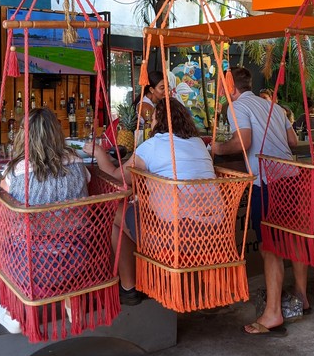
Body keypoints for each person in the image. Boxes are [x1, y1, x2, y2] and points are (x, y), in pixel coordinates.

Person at [87, 97, 218, 305]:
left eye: (153, 119)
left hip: (173, 234)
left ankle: (129, 288)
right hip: (213, 232)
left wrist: (99, 153)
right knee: (134, 211)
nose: (150, 123)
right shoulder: (198, 144)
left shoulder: (153, 145)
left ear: (159, 121)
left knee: (112, 212)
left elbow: (116, 177)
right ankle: (135, 285)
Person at [211, 67, 303, 336]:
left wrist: (216, 147)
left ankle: (273, 313)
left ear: (231, 87)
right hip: (291, 177)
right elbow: (293, 141)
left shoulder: (236, 106)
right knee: (291, 238)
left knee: (268, 246)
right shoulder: (272, 105)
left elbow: (243, 142)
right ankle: (301, 298)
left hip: (267, 181)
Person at [0, 107, 91, 333]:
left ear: (25, 135)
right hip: (80, 260)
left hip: (32, 268)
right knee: (66, 232)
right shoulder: (78, 164)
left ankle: (13, 308)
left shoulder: (16, 172)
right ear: (57, 133)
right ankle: (72, 301)